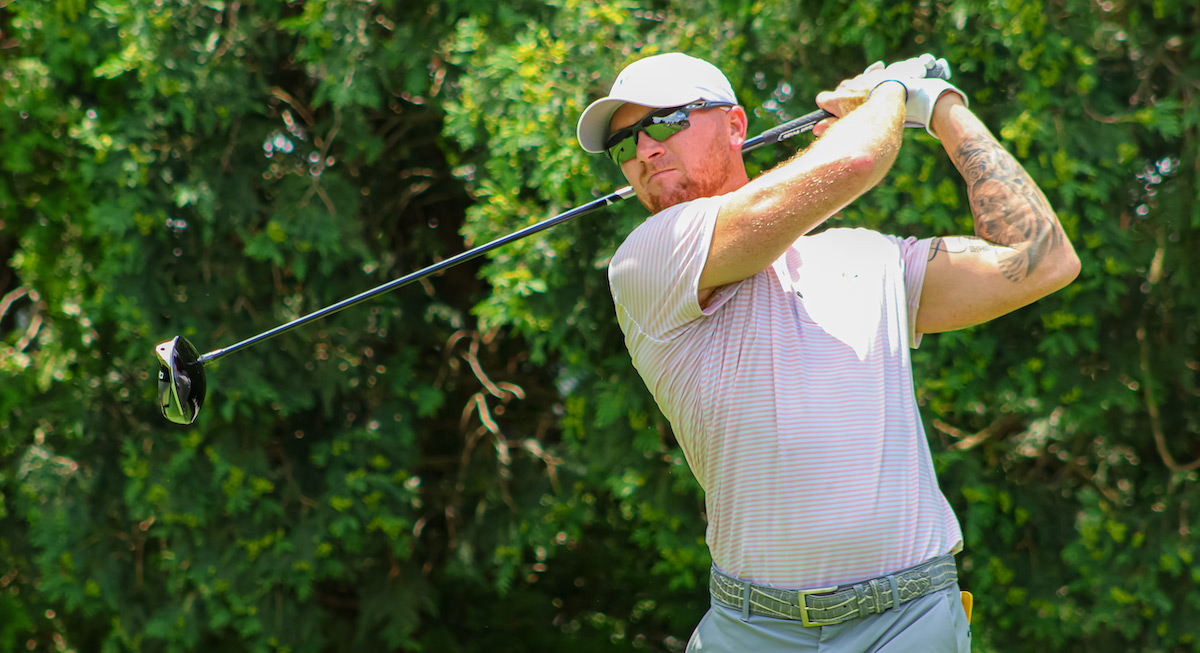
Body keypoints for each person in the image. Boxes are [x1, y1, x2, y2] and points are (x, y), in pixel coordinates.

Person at [575, 52, 1080, 652]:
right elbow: (857, 158)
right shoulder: (646, 260)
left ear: (736, 125)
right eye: (623, 144)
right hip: (753, 629)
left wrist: (943, 108)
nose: (643, 152)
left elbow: (1043, 259)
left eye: (662, 123)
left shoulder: (869, 257)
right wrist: (893, 92)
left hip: (908, 621)